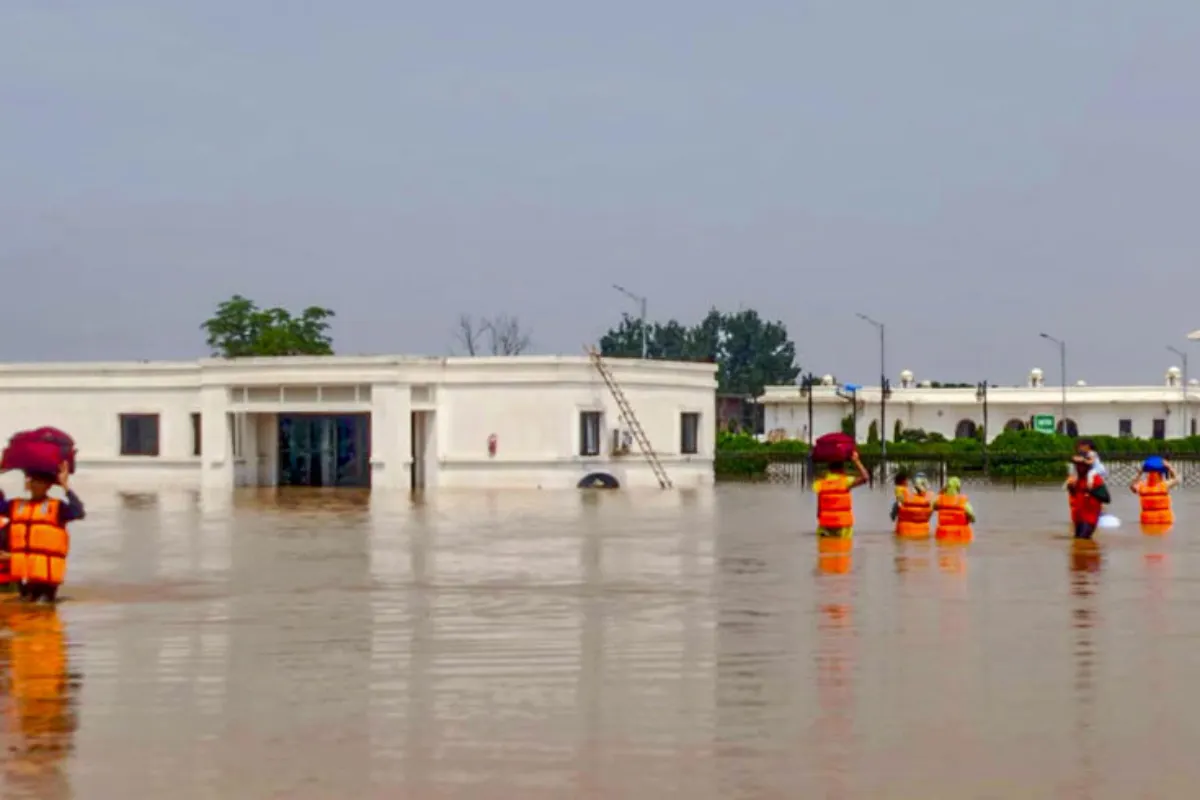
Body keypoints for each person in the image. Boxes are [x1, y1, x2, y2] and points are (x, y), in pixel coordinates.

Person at [1, 462, 85, 603]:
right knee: (23, 613)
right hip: (23, 572)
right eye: (33, 481)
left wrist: (65, 485)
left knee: (41, 611)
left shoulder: (57, 508)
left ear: (48, 486)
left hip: (46, 574)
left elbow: (78, 512)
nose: (35, 485)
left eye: (40, 482)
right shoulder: (15, 506)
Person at [813, 452, 870, 541]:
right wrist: (856, 461)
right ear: (842, 469)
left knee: (825, 550)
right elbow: (865, 477)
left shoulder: (820, 483)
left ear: (829, 469)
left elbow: (819, 506)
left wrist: (820, 517)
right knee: (843, 551)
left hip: (825, 523)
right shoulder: (846, 481)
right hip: (843, 524)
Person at [1067, 457, 1110, 540]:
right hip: (1078, 517)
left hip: (1089, 518)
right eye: (1077, 466)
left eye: (1082, 466)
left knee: (1083, 539)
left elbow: (1106, 498)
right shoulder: (1075, 480)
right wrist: (1070, 487)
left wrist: (1091, 491)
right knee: (1077, 542)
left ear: (1088, 467)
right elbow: (1074, 495)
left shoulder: (1095, 479)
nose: (1079, 468)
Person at [1130, 457, 1179, 530]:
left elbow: (1132, 486)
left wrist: (1140, 473)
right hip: (1164, 520)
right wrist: (1169, 467)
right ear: (1160, 476)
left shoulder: (1142, 487)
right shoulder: (1164, 485)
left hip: (1147, 521)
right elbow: (1177, 479)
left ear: (1148, 475)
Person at [934, 476, 976, 542]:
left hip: (943, 535)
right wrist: (971, 519)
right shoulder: (964, 502)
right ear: (958, 488)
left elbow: (933, 506)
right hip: (960, 536)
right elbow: (972, 517)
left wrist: (941, 492)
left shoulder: (939, 500)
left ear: (946, 487)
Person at [894, 471, 934, 538]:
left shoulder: (904, 490)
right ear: (903, 481)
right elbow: (900, 499)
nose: (907, 482)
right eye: (906, 480)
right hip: (902, 506)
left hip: (904, 517)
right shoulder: (900, 489)